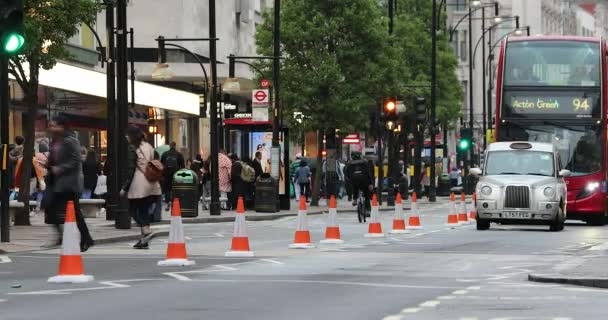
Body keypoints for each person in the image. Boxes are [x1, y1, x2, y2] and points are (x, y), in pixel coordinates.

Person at [44, 115, 94, 252]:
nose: (51, 127)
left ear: (62, 126)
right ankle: (64, 236)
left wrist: (60, 168)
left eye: (53, 125)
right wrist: (49, 164)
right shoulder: (55, 140)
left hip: (69, 183)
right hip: (55, 181)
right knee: (49, 207)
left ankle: (86, 238)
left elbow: (76, 160)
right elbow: (54, 158)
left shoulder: (71, 140)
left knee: (75, 212)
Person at [121, 126, 162, 249]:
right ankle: (144, 240)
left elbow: (131, 169)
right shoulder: (148, 146)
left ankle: (146, 231)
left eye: (128, 135)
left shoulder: (133, 148)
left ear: (132, 136)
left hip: (139, 183)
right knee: (143, 209)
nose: (126, 137)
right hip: (152, 182)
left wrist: (125, 187)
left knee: (132, 209)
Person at [161, 142, 185, 210]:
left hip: (166, 175)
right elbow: (183, 166)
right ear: (175, 146)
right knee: (176, 188)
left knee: (167, 189)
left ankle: (167, 202)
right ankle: (175, 202)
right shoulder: (179, 154)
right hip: (176, 174)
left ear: (170, 146)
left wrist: (162, 174)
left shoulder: (165, 154)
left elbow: (161, 164)